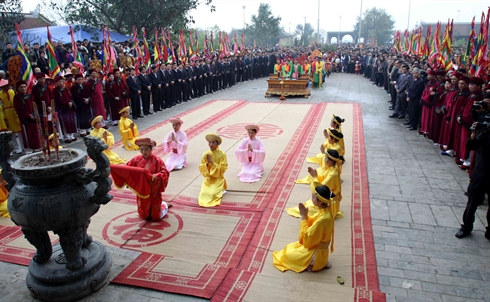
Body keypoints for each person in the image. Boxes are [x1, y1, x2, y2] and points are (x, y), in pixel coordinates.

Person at [272, 182, 335, 273]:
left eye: (313, 197)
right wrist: (306, 216)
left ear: (320, 202)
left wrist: (303, 218)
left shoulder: (323, 219)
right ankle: (320, 261)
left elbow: (307, 239)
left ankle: (317, 263)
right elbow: (313, 221)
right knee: (289, 247)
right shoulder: (325, 211)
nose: (311, 199)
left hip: (316, 252)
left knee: (287, 255)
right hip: (318, 246)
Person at [455, 110, 490, 240]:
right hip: (482, 170)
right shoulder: (486, 128)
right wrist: (474, 133)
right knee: (472, 201)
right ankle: (466, 226)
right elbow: (472, 145)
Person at [123, 138, 170, 221]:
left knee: (156, 217)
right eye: (141, 149)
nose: (144, 152)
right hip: (141, 191)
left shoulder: (157, 161)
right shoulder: (136, 160)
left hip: (153, 191)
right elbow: (128, 169)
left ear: (151, 150)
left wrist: (154, 177)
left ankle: (164, 206)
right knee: (144, 216)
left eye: (146, 149)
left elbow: (164, 172)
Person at [291, 149, 342, 218]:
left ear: (331, 161)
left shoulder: (333, 174)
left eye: (326, 158)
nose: (324, 160)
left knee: (308, 208)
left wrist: (315, 177)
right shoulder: (332, 168)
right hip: (327, 196)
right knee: (308, 203)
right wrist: (316, 175)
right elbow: (323, 178)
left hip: (330, 202)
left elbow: (320, 188)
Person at [198, 133, 228, 207]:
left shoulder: (222, 154)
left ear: (217, 144)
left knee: (213, 193)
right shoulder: (206, 154)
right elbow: (201, 167)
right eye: (210, 142)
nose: (211, 144)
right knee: (204, 193)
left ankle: (222, 188)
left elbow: (223, 168)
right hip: (209, 178)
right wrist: (207, 164)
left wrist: (212, 163)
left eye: (213, 142)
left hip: (218, 178)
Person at [14, 81, 41, 151]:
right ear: (18, 88)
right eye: (21, 87)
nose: (23, 88)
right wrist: (28, 115)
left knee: (35, 132)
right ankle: (29, 149)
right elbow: (19, 108)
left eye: (24, 87)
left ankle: (36, 147)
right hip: (25, 118)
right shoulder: (17, 97)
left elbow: (34, 104)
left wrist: (34, 113)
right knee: (27, 134)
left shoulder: (30, 95)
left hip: (33, 115)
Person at [0, 79, 23, 153]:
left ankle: (23, 146)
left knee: (20, 131)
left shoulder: (13, 92)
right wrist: (4, 117)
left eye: (7, 85)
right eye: (4, 86)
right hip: (7, 113)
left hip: (15, 111)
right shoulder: (0, 94)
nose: (6, 87)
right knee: (12, 133)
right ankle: (16, 148)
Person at [53, 75, 78, 143]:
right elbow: (58, 100)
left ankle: (72, 135)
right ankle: (67, 137)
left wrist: (70, 102)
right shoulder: (55, 91)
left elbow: (70, 97)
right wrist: (67, 103)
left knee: (71, 122)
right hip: (63, 109)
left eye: (62, 81)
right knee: (65, 123)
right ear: (56, 83)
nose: (61, 82)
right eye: (59, 81)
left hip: (69, 108)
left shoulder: (65, 89)